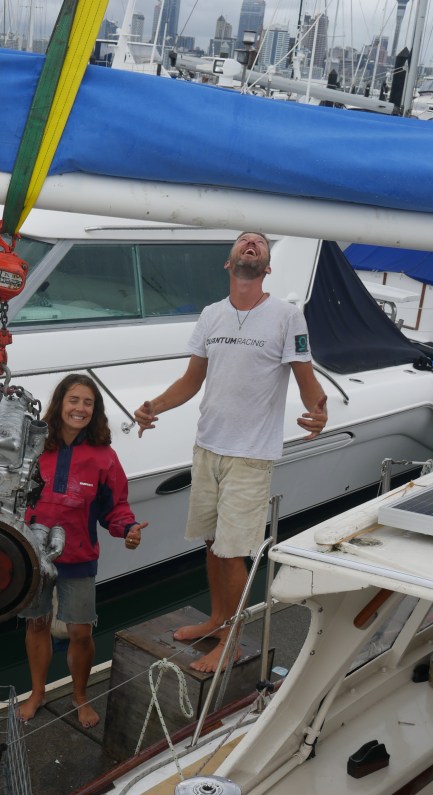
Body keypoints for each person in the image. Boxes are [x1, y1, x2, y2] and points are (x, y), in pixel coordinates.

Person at [134, 231, 327, 674]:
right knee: (211, 543)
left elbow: (306, 379)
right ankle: (217, 620)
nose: (250, 244)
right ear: (229, 262)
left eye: (258, 243)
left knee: (232, 550)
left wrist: (319, 411)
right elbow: (191, 381)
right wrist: (153, 407)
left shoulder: (287, 316)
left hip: (250, 454)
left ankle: (232, 642)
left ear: (267, 267)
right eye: (243, 241)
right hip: (208, 447)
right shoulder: (212, 315)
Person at [19, 374, 148, 728]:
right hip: (32, 556)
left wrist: (128, 529)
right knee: (36, 624)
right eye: (73, 400)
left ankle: (80, 696)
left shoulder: (104, 457)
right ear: (60, 404)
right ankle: (37, 692)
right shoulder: (33, 448)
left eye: (88, 403)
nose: (80, 408)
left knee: (81, 632)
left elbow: (115, 507)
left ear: (95, 410)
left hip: (79, 557)